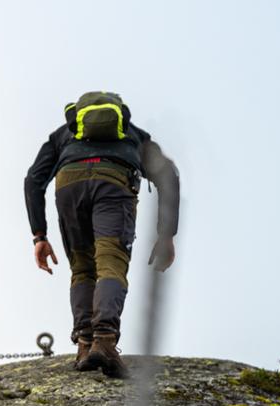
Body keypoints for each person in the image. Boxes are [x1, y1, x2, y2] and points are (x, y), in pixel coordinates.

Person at [24, 91, 181, 379]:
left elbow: (34, 179)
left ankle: (85, 345)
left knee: (82, 268)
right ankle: (105, 342)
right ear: (120, 114)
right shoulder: (134, 135)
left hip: (69, 185)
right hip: (113, 185)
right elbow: (169, 176)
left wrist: (39, 235)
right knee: (111, 264)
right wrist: (166, 234)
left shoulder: (64, 135)